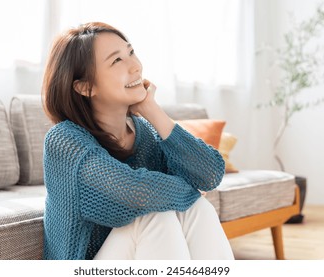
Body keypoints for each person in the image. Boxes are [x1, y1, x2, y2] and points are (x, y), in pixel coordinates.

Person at [41, 21, 234, 260]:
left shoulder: (143, 131)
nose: (135, 66)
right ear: (85, 87)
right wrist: (190, 189)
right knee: (154, 214)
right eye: (117, 61)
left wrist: (152, 110)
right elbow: (134, 191)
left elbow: (210, 174)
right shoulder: (64, 140)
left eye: (131, 52)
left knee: (197, 208)